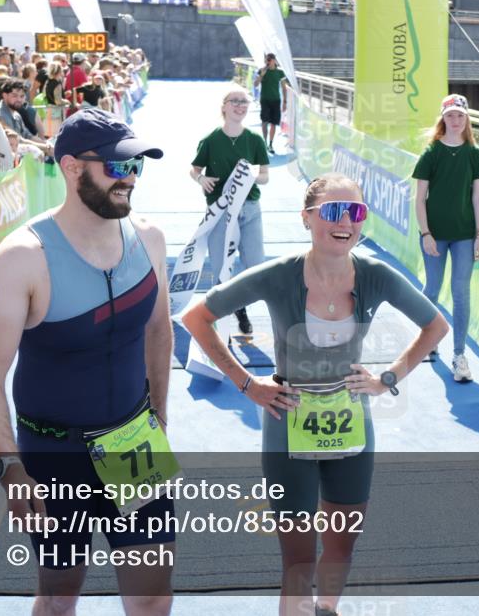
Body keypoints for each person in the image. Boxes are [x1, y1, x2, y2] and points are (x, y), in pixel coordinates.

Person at [182, 173, 448, 616]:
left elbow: (435, 326)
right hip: (287, 425)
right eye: (332, 211)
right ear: (307, 218)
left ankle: (326, 608)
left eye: (356, 212)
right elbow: (196, 318)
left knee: (343, 545)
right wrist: (247, 383)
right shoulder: (277, 275)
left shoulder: (375, 275)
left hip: (352, 427)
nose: (345, 222)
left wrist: (388, 377)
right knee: (299, 559)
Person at [0, 108, 173, 615]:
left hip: (136, 446)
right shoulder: (22, 259)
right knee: (60, 599)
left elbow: (158, 329)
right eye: (116, 167)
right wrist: (9, 467)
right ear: (71, 167)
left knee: (152, 602)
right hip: (53, 459)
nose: (128, 180)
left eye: (135, 168)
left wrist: (160, 416)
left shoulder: (150, 239)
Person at [412, 94, 479, 383]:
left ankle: (459, 355)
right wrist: (426, 233)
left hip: (464, 235)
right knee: (432, 288)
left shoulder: (474, 154)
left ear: (467, 119)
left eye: (460, 115)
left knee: (461, 292)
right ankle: (428, 340)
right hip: (435, 235)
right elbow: (420, 200)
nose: (455, 120)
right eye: (451, 115)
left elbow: (477, 196)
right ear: (443, 118)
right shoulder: (431, 153)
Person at [189, 89, 270, 334]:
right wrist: (201, 179)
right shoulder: (211, 140)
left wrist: (253, 177)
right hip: (220, 212)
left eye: (244, 102)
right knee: (221, 266)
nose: (240, 106)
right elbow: (194, 169)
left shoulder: (255, 139)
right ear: (224, 106)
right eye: (234, 101)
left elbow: (265, 175)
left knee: (256, 264)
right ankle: (219, 322)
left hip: (250, 210)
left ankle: (240, 305)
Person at [253, 53, 288, 155]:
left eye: (269, 60)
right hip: (264, 100)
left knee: (273, 123)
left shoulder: (280, 72)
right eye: (266, 60)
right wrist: (261, 76)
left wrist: (285, 101)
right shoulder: (262, 71)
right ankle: (264, 143)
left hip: (276, 100)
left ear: (274, 60)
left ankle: (270, 144)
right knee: (264, 122)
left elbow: (284, 88)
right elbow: (255, 84)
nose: (267, 62)